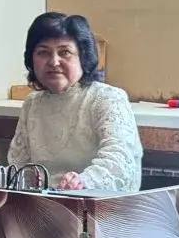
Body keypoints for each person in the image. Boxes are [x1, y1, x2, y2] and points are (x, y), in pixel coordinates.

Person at [9, 12, 142, 192]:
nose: (54, 62)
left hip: (95, 202)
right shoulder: (32, 104)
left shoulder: (107, 98)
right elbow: (19, 167)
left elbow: (120, 161)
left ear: (83, 57)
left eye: (65, 52)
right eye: (43, 52)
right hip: (44, 204)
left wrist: (83, 182)